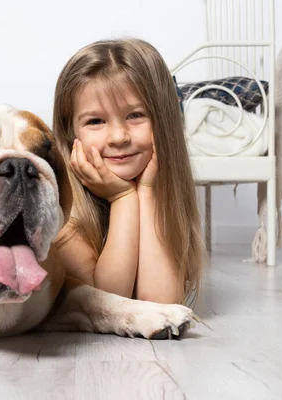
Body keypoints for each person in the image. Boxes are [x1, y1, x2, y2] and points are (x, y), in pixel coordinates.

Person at [52, 37, 204, 305]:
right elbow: (110, 301)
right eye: (96, 121)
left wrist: (145, 192)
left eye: (135, 115)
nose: (119, 137)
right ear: (69, 133)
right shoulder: (62, 214)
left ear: (164, 122)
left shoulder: (163, 192)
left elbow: (161, 303)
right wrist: (122, 197)